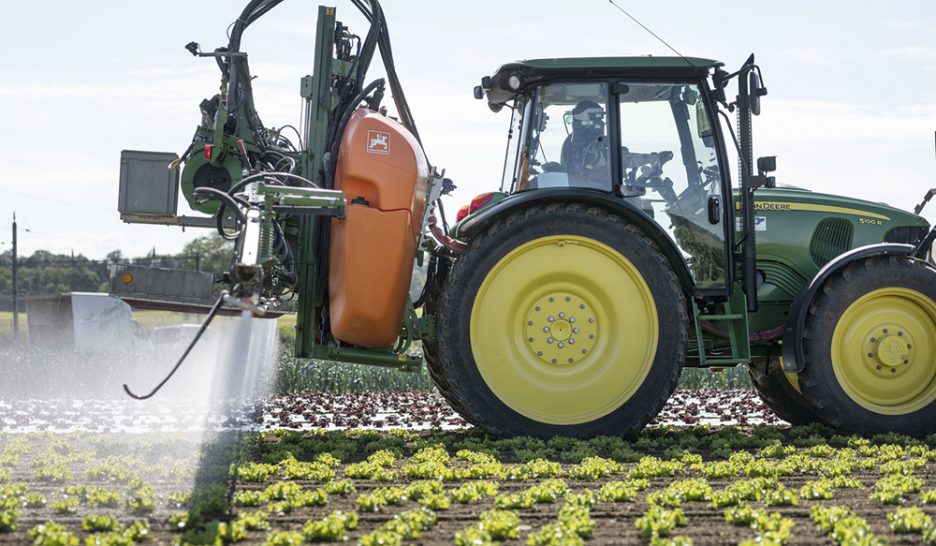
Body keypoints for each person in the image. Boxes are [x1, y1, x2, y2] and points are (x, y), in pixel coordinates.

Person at [560, 99, 610, 189]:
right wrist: (609, 169)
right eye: (597, 119)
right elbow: (580, 177)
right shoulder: (578, 142)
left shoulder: (596, 141)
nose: (600, 123)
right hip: (587, 191)